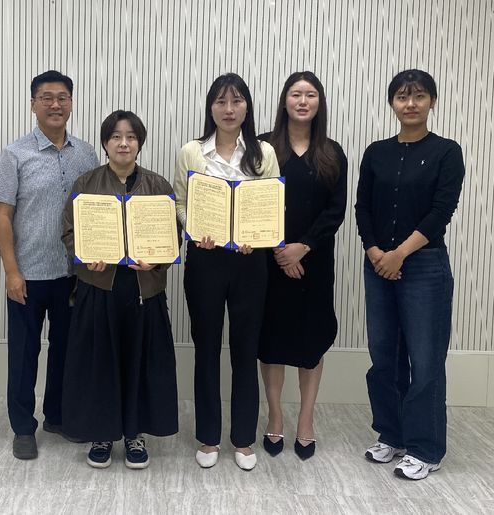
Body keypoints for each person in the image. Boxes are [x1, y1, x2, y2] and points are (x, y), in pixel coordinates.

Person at [355, 69, 465, 480]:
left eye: (419, 96)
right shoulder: (376, 152)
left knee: (425, 360)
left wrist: (399, 254)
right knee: (384, 359)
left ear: (432, 102)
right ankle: (392, 434)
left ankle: (425, 448)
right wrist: (377, 253)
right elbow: (362, 207)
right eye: (402, 97)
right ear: (392, 104)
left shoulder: (446, 152)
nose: (411, 103)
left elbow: (441, 211)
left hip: (423, 266)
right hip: (378, 262)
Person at [0, 70, 100, 460]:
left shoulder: (87, 153)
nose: (55, 104)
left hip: (73, 274)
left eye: (63, 97)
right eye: (47, 97)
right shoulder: (14, 153)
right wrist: (11, 271)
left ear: (71, 103)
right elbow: (2, 216)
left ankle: (57, 415)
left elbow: (96, 212)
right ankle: (23, 427)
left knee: (67, 351)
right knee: (23, 354)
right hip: (29, 274)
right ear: (33, 103)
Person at [61, 110, 179, 469]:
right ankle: (102, 432)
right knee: (100, 364)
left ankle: (134, 433)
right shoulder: (86, 183)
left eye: (130, 136)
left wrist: (156, 260)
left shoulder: (158, 186)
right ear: (105, 143)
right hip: (100, 287)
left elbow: (172, 239)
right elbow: (69, 233)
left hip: (144, 290)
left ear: (139, 142)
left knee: (139, 363)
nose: (123, 143)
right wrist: (86, 258)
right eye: (116, 136)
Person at [173, 73, 280, 470]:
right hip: (206, 259)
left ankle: (243, 438)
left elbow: (271, 205)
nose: (229, 109)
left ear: (247, 107)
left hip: (251, 261)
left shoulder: (263, 153)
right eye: (220, 102)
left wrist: (257, 235)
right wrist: (193, 227)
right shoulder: (191, 152)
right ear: (210, 108)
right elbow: (180, 202)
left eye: (236, 101)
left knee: (245, 349)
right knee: (206, 348)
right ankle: (208, 436)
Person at [257, 71, 347, 460]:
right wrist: (281, 250)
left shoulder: (332, 151)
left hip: (315, 263)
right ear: (284, 101)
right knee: (272, 342)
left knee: (311, 341)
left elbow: (336, 209)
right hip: (268, 261)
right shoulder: (262, 147)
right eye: (296, 94)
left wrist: (303, 247)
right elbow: (251, 203)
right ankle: (275, 418)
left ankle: (306, 421)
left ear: (319, 103)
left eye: (311, 94)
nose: (303, 101)